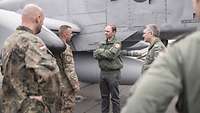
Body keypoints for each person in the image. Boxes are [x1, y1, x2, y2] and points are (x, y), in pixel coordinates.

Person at [121, 0, 200, 113]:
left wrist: (142, 87)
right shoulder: (154, 46)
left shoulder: (177, 50)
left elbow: (138, 107)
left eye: (145, 33)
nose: (143, 34)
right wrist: (123, 52)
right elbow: (142, 55)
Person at [1, 4, 62, 113]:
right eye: (42, 20)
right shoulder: (31, 42)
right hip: (30, 108)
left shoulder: (9, 41)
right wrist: (52, 106)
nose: (42, 24)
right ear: (38, 18)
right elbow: (49, 74)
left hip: (10, 107)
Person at [94, 24, 123, 113]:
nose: (105, 33)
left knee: (115, 98)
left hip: (113, 73)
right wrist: (104, 52)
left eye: (107, 31)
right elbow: (94, 55)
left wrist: (100, 52)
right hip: (103, 73)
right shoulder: (102, 42)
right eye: (105, 31)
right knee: (104, 97)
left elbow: (111, 55)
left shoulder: (117, 43)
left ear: (114, 32)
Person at [55, 25, 80, 113]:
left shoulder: (55, 46)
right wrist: (75, 86)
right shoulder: (65, 48)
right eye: (70, 33)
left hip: (57, 84)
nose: (71, 35)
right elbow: (69, 69)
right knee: (68, 108)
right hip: (66, 85)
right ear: (65, 34)